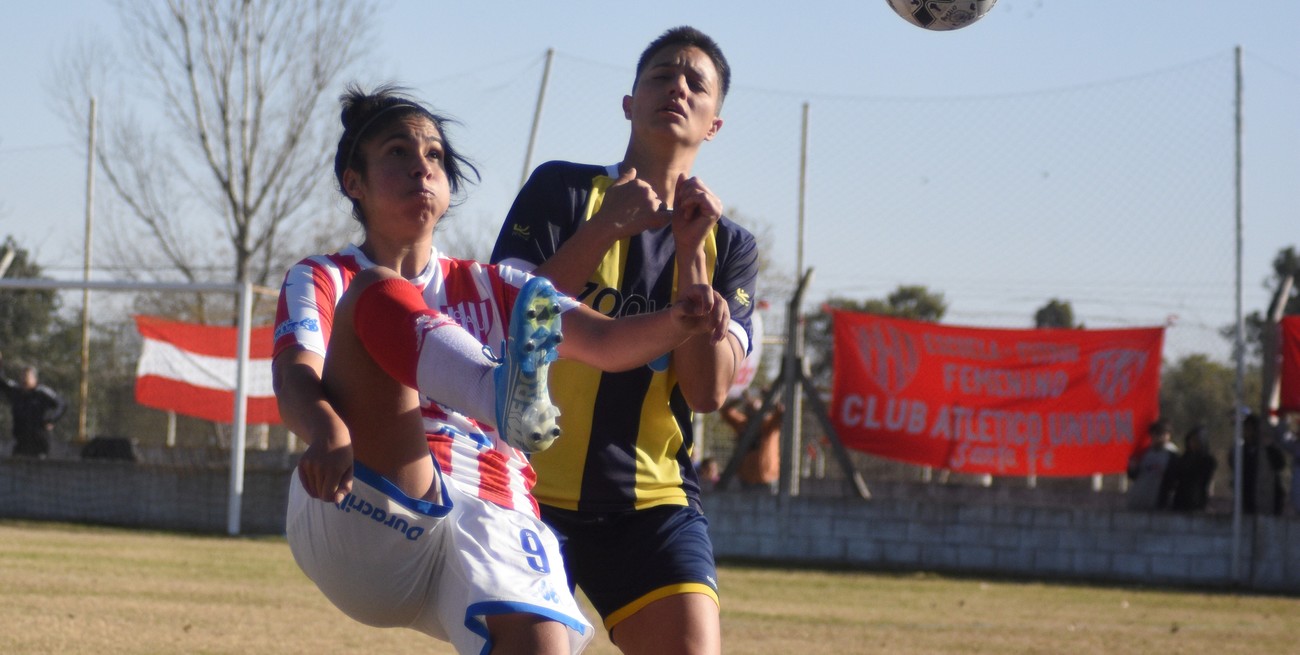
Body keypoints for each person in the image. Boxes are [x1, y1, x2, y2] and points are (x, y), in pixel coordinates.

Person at [272, 85, 728, 655]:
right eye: (398, 152)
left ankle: (502, 395)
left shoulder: (497, 286)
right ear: (353, 183)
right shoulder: (325, 275)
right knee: (375, 292)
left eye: (435, 156)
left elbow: (609, 342)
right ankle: (496, 390)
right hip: (369, 504)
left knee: (541, 645)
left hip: (495, 505)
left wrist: (683, 316)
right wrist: (325, 429)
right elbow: (294, 376)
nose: (422, 166)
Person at [491, 26, 757, 655]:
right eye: (662, 74)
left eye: (697, 83)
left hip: (651, 504)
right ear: (629, 102)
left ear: (714, 124)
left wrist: (692, 252)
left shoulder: (730, 245)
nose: (678, 87)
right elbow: (509, 319)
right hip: (523, 492)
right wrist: (607, 226)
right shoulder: (562, 190)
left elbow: (707, 390)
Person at [0, 353, 67, 458]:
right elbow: (2, 382)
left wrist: (51, 419)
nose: (24, 380)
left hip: (39, 441)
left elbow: (61, 404)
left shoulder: (42, 392)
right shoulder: (17, 391)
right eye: (22, 376)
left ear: (34, 379)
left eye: (27, 377)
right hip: (21, 441)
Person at [718, 390, 781, 490]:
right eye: (749, 410)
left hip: (767, 477)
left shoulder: (768, 424)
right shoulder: (743, 424)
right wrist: (740, 399)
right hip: (746, 478)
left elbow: (781, 412)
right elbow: (725, 411)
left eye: (755, 411)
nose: (751, 413)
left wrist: (771, 398)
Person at [1229, 413, 1286, 515]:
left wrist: (1268, 446)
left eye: (1251, 429)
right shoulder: (1241, 451)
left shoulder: (1268, 449)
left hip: (1268, 500)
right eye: (1246, 429)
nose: (1248, 432)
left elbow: (1280, 464)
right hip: (1247, 499)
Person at [1125, 420, 1178, 510]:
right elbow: (1133, 475)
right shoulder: (1145, 452)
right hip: (1140, 499)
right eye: (1156, 434)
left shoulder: (1172, 454)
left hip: (1159, 502)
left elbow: (1173, 480)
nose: (1159, 437)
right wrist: (1132, 467)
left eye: (1163, 434)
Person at [1167, 426, 1217, 512]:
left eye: (1197, 441)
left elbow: (1206, 479)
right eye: (1192, 440)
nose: (1193, 444)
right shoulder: (1183, 459)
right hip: (1180, 499)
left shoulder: (1207, 460)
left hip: (1198, 499)